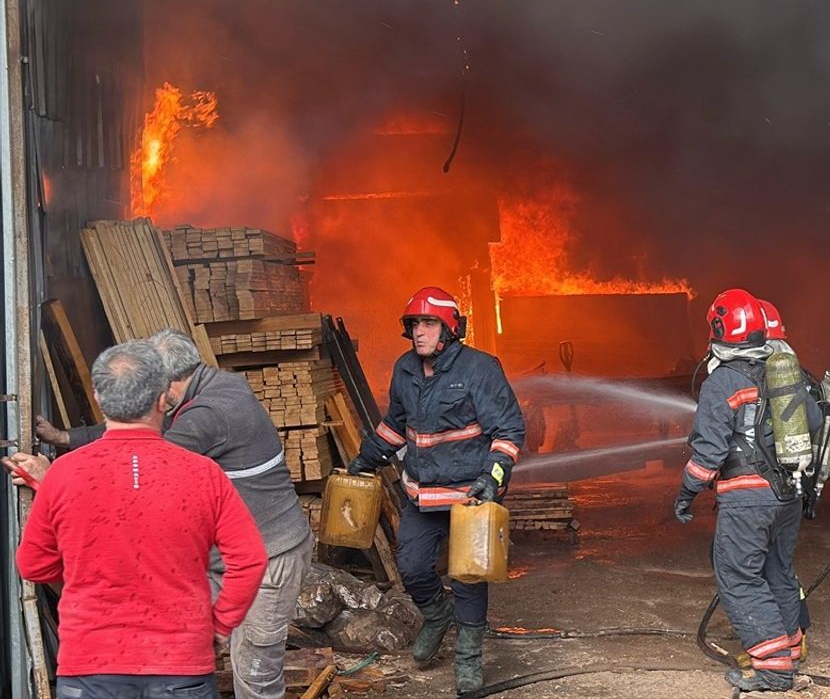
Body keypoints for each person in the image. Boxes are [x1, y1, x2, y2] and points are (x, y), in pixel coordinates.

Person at [11, 329, 314, 699]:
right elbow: (133, 435)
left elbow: (138, 459)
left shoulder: (209, 414)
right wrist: (67, 440)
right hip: (233, 564)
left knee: (254, 672)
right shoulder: (211, 389)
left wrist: (52, 479)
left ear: (166, 387)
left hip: (272, 556)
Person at [346, 286, 524, 694]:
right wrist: (366, 458)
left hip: (469, 496)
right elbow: (395, 425)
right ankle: (438, 616)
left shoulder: (480, 369)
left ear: (449, 329)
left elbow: (509, 430)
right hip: (421, 495)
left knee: (468, 578)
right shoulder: (405, 369)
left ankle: (468, 658)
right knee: (411, 567)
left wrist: (492, 478)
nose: (418, 332)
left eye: (428, 323)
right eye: (414, 324)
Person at [674, 288, 821, 693]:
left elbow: (709, 451)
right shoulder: (783, 372)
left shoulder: (722, 382)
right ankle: (789, 649)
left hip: (747, 499)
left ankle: (773, 668)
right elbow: (814, 423)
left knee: (739, 577)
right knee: (776, 571)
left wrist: (688, 492)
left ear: (718, 329)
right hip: (787, 495)